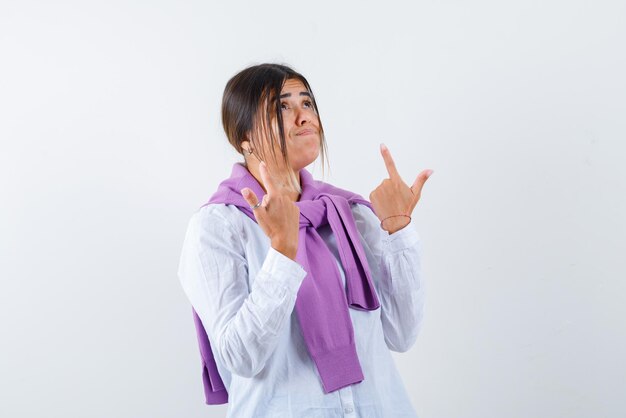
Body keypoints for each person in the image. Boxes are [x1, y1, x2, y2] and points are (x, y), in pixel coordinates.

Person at [178, 63, 433, 417]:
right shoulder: (219, 225)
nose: (303, 117)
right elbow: (240, 356)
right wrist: (282, 253)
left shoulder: (348, 214)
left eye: (307, 103)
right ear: (244, 138)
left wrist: (397, 229)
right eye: (282, 107)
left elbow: (401, 334)